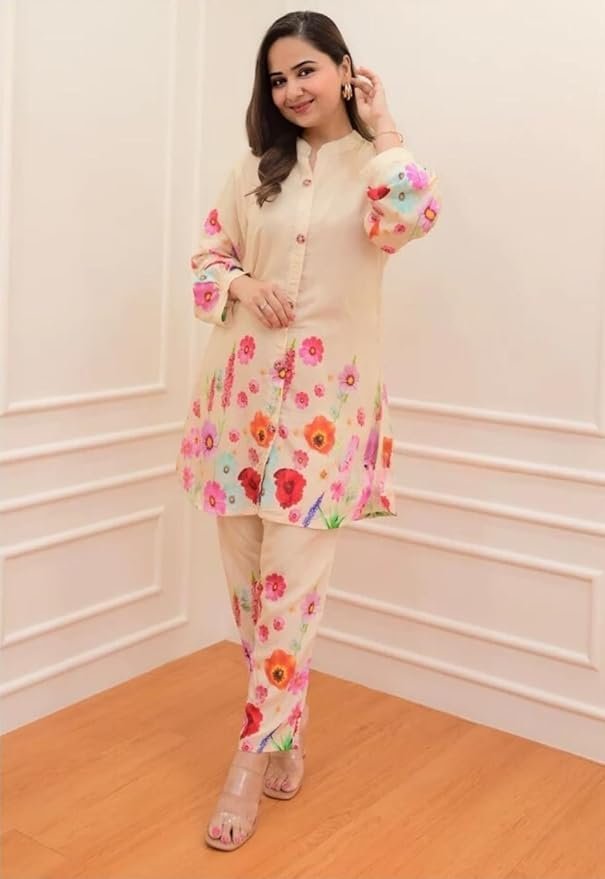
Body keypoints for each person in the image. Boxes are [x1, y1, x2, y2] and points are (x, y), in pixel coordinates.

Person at [176, 9, 441, 852]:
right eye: (277, 78)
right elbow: (205, 260)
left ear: (342, 69)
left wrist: (384, 123)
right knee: (250, 591)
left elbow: (410, 218)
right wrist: (241, 285)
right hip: (236, 406)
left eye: (305, 71)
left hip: (324, 421)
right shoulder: (255, 171)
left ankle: (248, 758)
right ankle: (284, 726)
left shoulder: (378, 166)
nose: (291, 89)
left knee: (292, 590)